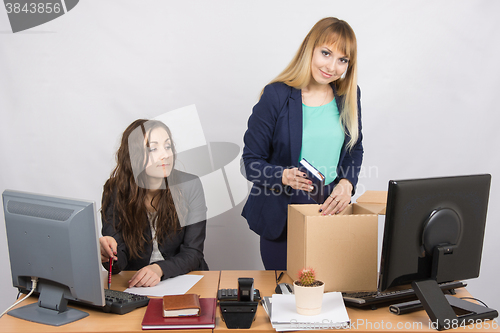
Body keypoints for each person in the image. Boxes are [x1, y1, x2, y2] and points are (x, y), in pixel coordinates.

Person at [241, 17, 363, 270]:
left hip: (330, 211)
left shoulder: (348, 96)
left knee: (329, 295)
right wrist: (283, 175)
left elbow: (354, 149)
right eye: (326, 53)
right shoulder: (276, 95)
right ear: (310, 47)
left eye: (343, 60)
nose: (332, 66)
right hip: (282, 217)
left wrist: (346, 184)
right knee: (287, 296)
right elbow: (250, 163)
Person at [100, 119, 208, 287]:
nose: (165, 155)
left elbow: (193, 253)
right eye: (153, 148)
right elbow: (118, 263)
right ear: (133, 155)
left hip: (184, 278)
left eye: (167, 146)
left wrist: (159, 269)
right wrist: (108, 255)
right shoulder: (115, 190)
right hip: (136, 283)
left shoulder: (189, 185)